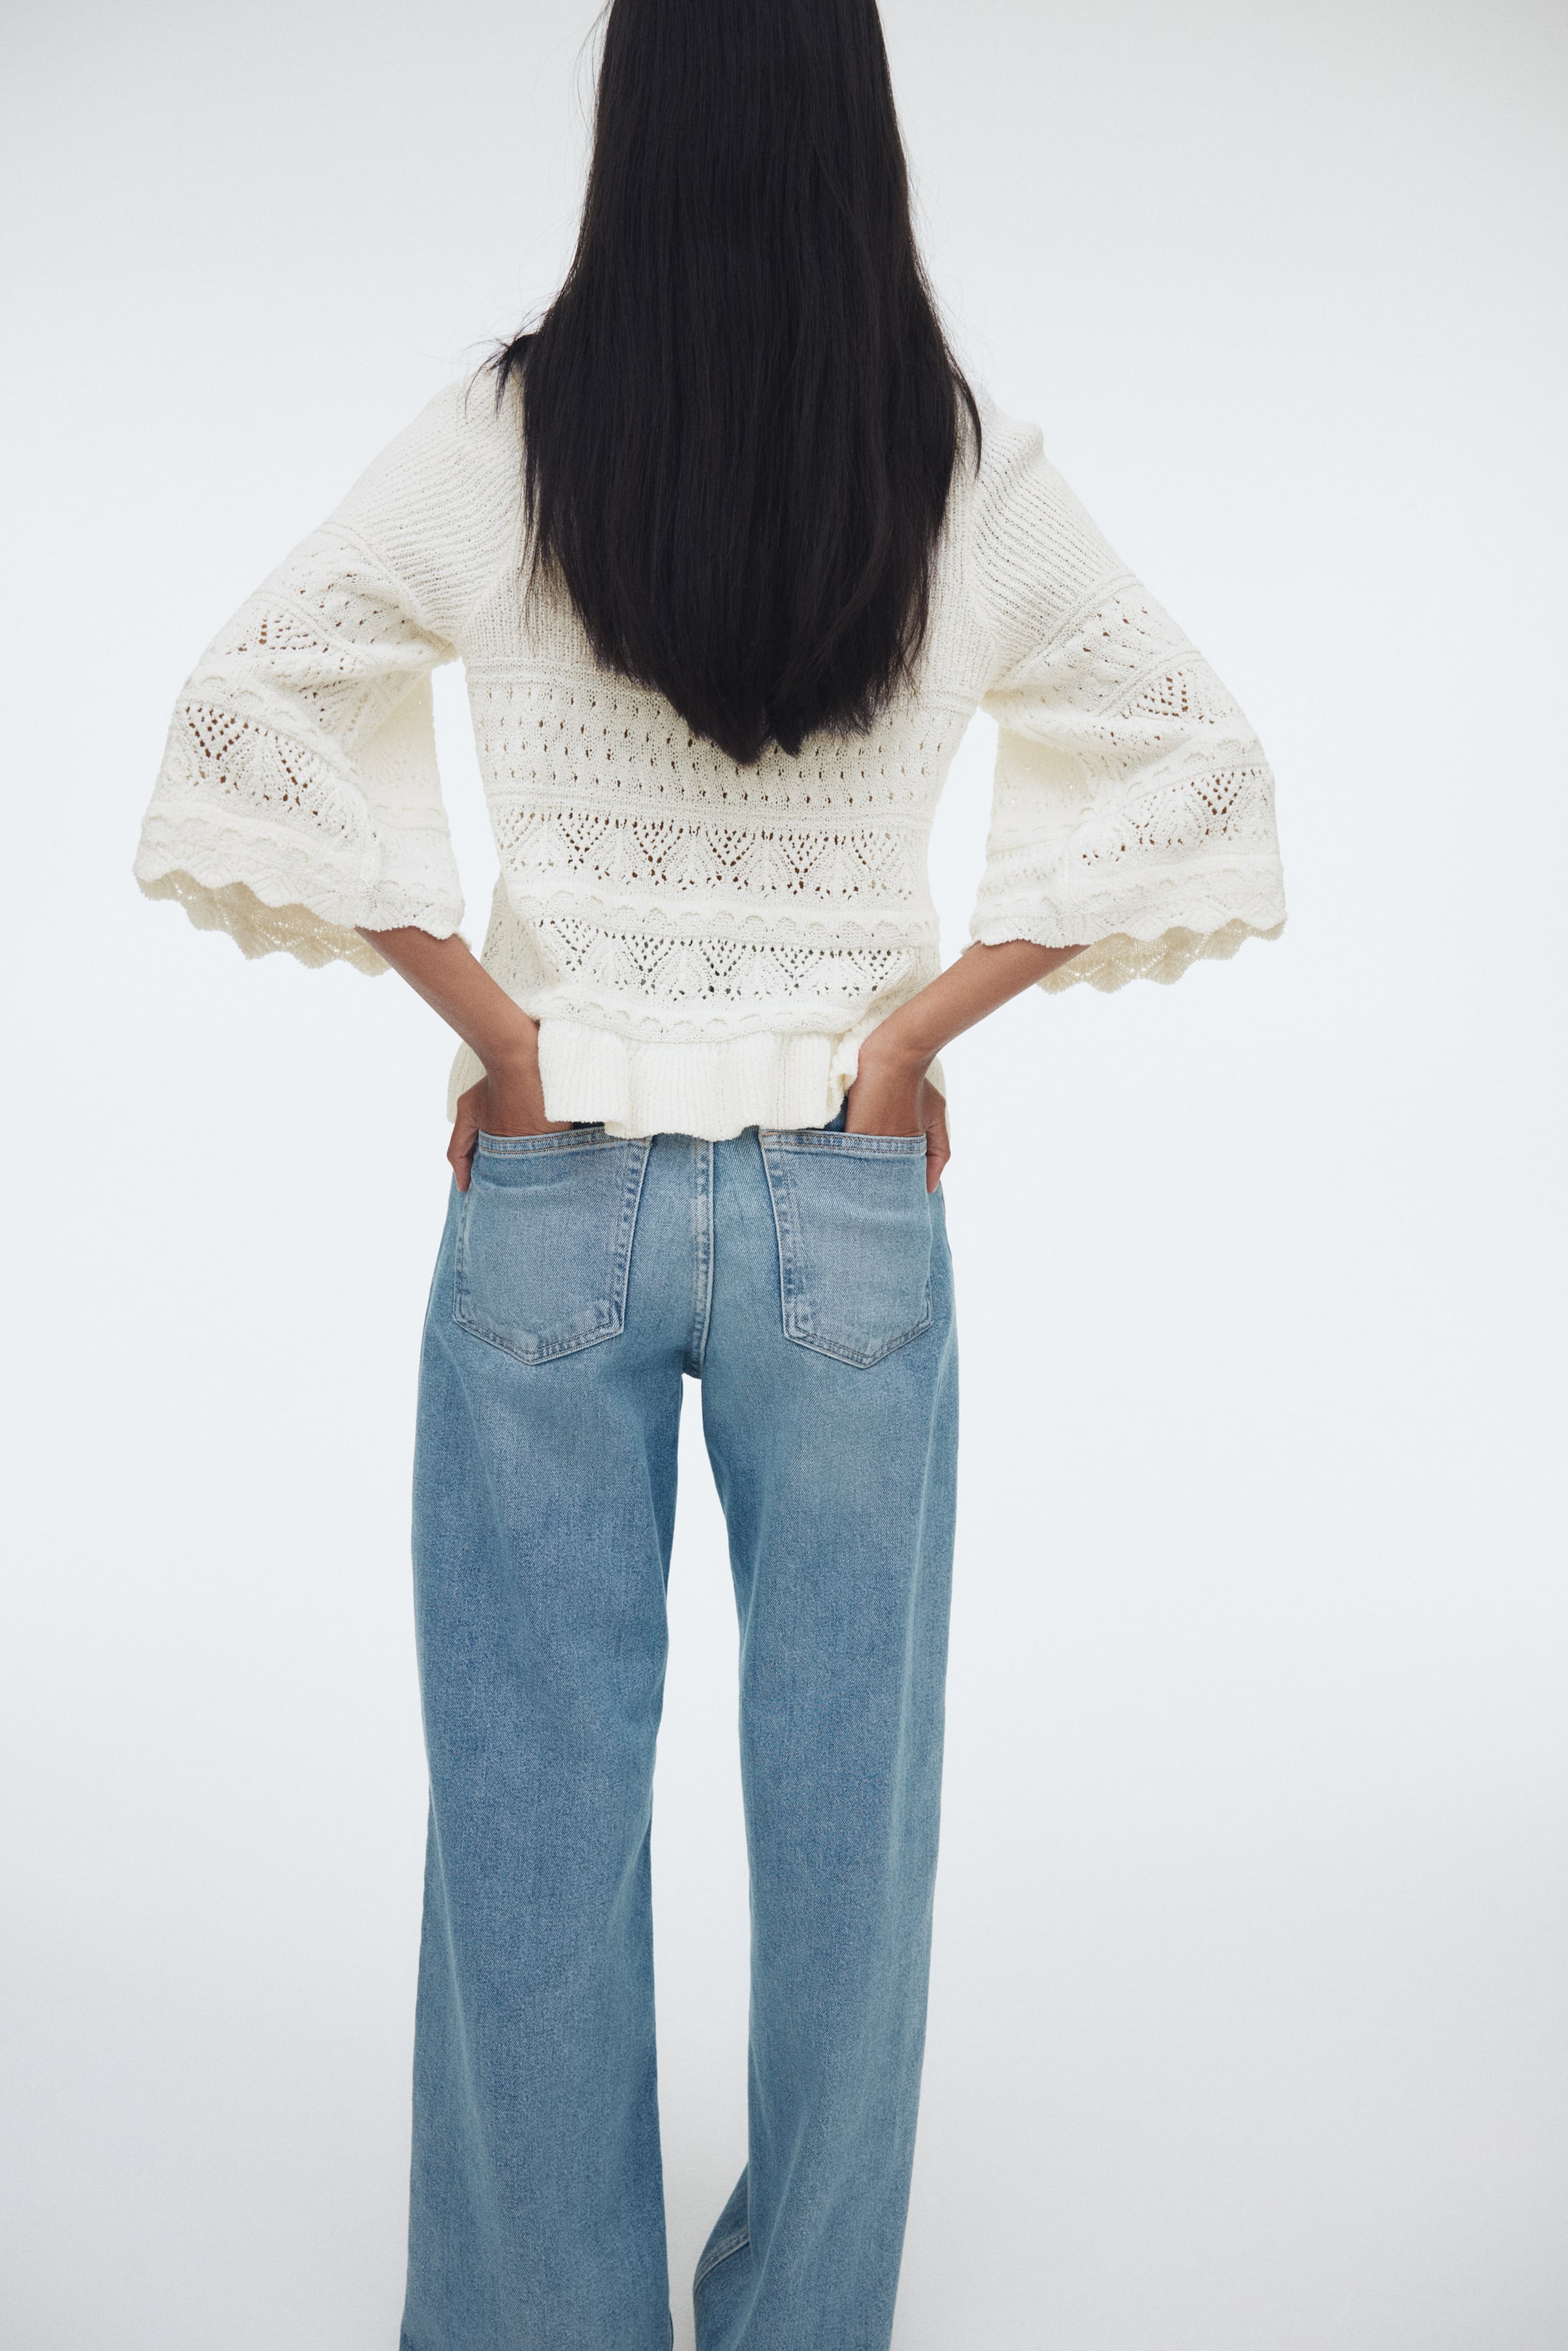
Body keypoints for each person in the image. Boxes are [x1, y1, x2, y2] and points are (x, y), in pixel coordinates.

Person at [133, 0, 1286, 2342]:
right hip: (842, 1217)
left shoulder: (512, 434)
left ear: (631, 122)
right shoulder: (951, 459)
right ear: (858, 127)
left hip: (553, 1198)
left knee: (528, 1824)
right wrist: (909, 1042)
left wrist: (502, 1037)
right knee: (856, 1845)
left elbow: (243, 705)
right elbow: (1203, 757)